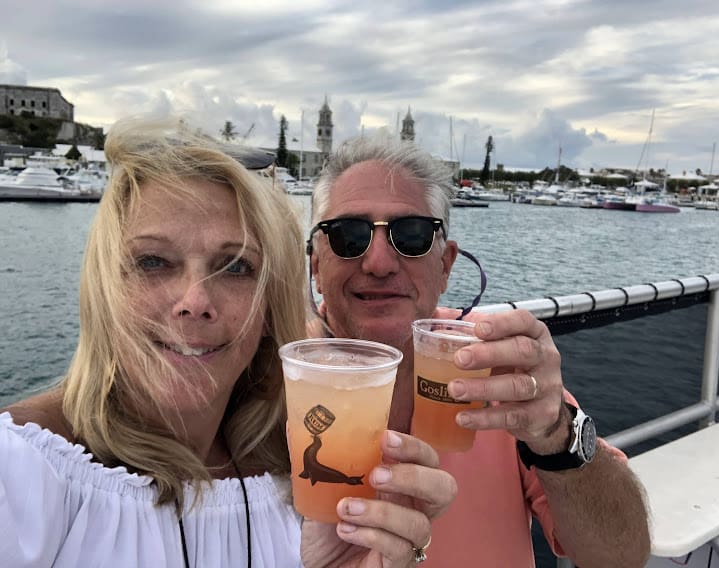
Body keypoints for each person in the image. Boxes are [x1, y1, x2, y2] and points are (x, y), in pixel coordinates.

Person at [0, 118, 455, 568]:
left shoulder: (295, 483)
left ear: (267, 309)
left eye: (236, 267)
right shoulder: (24, 473)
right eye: (153, 261)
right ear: (103, 288)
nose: (195, 301)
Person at [306, 135, 651, 568]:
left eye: (411, 235)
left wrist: (557, 435)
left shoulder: (495, 366)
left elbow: (621, 556)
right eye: (347, 235)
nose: (378, 262)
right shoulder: (269, 377)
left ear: (445, 265)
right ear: (316, 265)